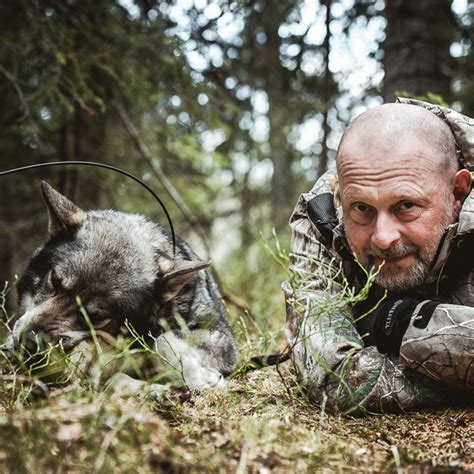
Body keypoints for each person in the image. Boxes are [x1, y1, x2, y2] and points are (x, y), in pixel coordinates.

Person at [283, 97, 474, 415]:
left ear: (458, 193)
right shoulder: (323, 214)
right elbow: (334, 378)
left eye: (406, 206)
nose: (383, 237)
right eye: (362, 209)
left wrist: (399, 324)